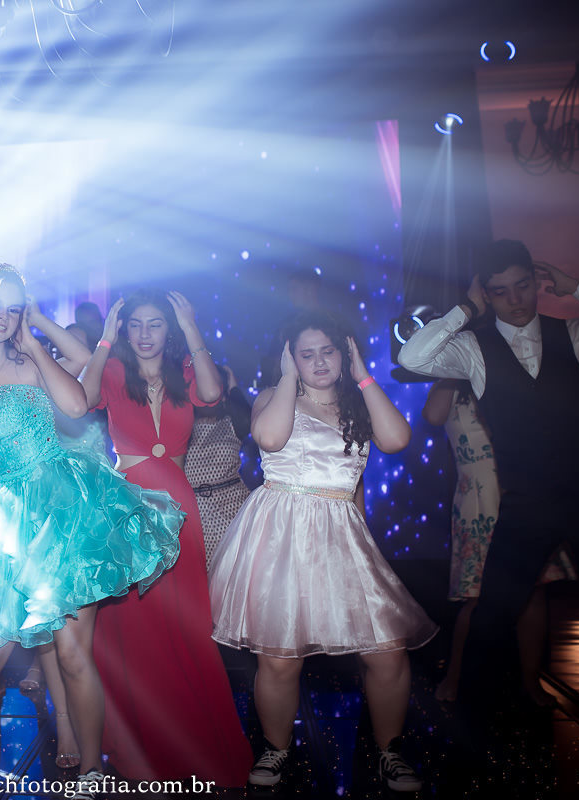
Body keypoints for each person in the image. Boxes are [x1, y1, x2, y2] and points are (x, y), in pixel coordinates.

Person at [0, 264, 182, 800]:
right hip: (9, 521)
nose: (3, 316)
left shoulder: (30, 359)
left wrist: (33, 342)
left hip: (65, 510)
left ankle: (92, 774)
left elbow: (76, 405)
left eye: (13, 306)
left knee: (75, 655)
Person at [397, 239, 579, 791]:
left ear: (535, 282)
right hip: (528, 503)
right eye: (500, 291)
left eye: (523, 285)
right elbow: (412, 358)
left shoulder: (575, 336)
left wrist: (577, 288)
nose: (515, 300)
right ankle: (468, 741)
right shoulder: (473, 348)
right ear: (487, 293)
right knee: (493, 618)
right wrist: (466, 310)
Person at [209, 312, 436, 792]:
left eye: (327, 350)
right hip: (279, 534)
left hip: (342, 535)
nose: (317, 361)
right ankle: (275, 749)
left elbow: (396, 439)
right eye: (305, 353)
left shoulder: (359, 404)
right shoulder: (273, 397)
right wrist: (289, 374)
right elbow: (270, 439)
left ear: (345, 351)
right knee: (280, 657)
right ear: (289, 356)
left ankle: (389, 752)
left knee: (388, 652)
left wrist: (363, 374)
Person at [80, 290, 251, 786]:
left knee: (187, 625)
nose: (145, 334)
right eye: (135, 324)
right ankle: (136, 738)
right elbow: (83, 398)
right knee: (134, 626)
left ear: (169, 328)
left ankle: (194, 735)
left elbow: (215, 396)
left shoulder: (188, 372)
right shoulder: (112, 371)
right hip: (127, 502)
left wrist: (192, 327)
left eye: (155, 324)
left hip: (178, 505)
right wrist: (105, 339)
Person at [422, 379, 575, 705]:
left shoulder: (501, 373)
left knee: (533, 590)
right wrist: (453, 366)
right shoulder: (452, 383)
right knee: (475, 595)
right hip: (478, 498)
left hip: (524, 492)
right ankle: (455, 678)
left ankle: (531, 683)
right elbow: (433, 415)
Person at [185, 364, 254, 568]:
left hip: (233, 508)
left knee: (235, 578)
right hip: (194, 513)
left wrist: (233, 385)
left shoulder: (233, 422)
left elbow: (249, 419)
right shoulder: (181, 425)